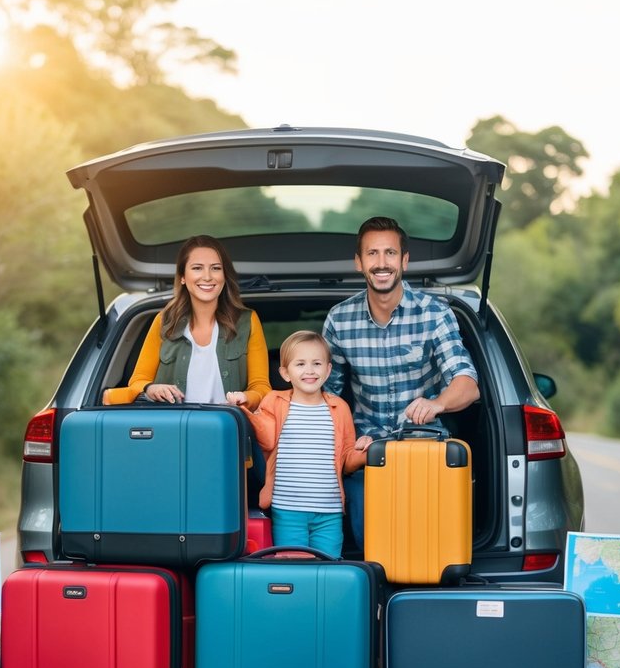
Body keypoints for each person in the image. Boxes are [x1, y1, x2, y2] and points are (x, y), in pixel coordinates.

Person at [322, 216, 480, 550]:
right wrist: (345, 447)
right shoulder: (339, 319)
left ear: (404, 260)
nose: (382, 263)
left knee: (424, 548)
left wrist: (436, 403)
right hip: (366, 456)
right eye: (373, 253)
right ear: (359, 262)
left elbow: (467, 383)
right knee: (372, 549)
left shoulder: (434, 313)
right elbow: (326, 395)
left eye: (390, 253)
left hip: (425, 451)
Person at [103, 234, 271, 409]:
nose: (207, 276)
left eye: (215, 268)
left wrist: (246, 398)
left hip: (229, 430)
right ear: (183, 277)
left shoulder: (247, 321)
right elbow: (138, 380)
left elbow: (261, 387)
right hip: (175, 429)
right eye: (197, 268)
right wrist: (151, 388)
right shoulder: (164, 321)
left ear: (224, 275)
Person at [238, 331, 365, 556]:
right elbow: (264, 439)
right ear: (285, 373)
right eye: (300, 364)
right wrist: (244, 409)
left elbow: (346, 459)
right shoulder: (274, 401)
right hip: (287, 509)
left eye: (317, 363)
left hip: (330, 512)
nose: (309, 371)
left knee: (328, 570)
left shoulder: (339, 407)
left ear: (328, 370)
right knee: (293, 567)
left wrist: (364, 452)